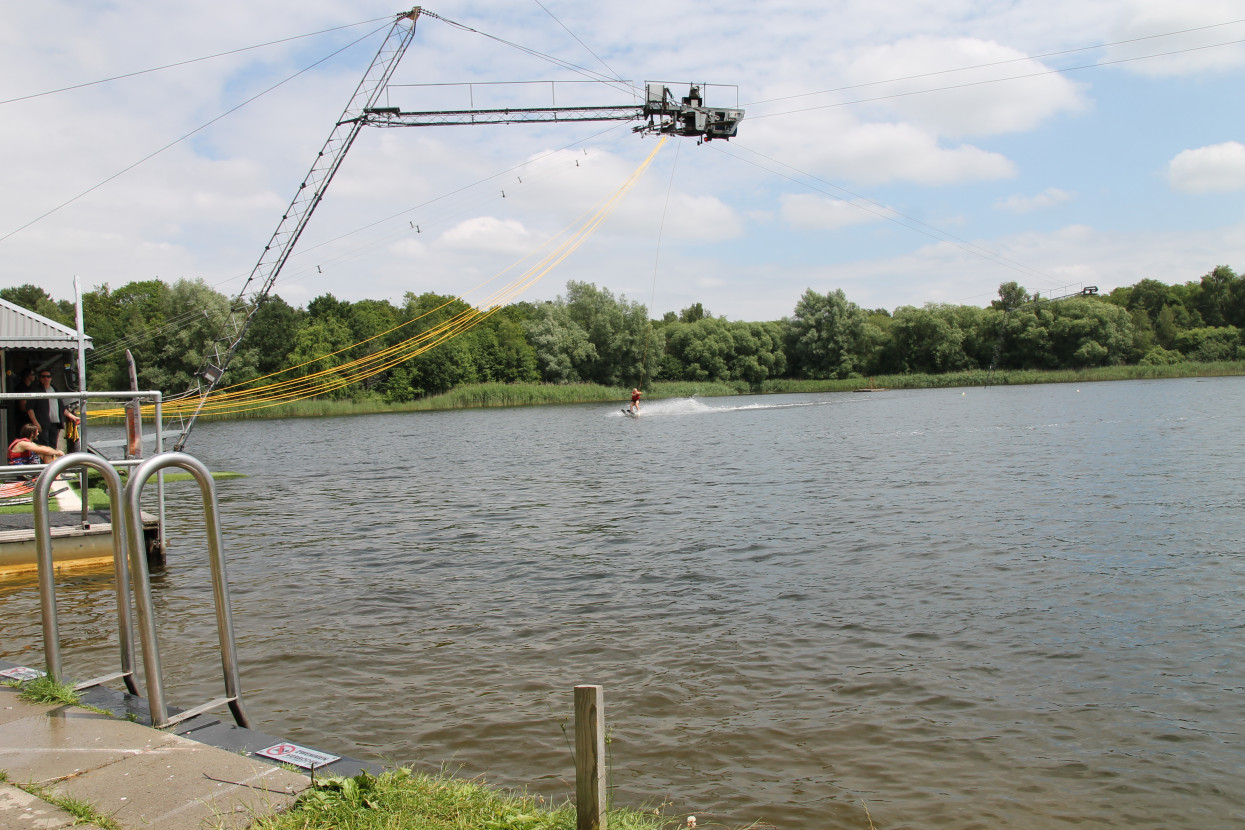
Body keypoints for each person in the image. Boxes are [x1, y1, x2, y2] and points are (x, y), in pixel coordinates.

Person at [25, 369, 79, 452]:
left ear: (51, 378)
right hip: (42, 424)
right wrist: (36, 423)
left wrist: (73, 417)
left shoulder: (54, 389)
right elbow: (29, 408)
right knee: (43, 446)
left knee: (53, 446)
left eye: (48, 376)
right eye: (43, 376)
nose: (46, 378)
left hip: (55, 424)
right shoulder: (36, 390)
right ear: (39, 378)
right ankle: (44, 464)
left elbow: (62, 408)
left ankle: (52, 463)